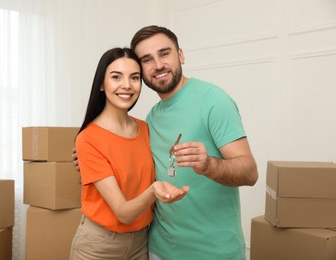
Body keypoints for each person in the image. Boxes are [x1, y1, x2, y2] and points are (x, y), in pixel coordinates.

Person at [73, 26, 258, 260]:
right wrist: (87, 152)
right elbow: (128, 160)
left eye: (164, 53)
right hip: (158, 248)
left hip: (213, 252)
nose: (158, 65)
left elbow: (250, 173)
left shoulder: (213, 100)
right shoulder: (151, 119)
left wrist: (209, 165)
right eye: (147, 59)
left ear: (180, 55)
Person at [69, 47, 189, 260]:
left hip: (141, 241)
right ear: (101, 84)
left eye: (134, 77)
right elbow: (123, 212)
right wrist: (155, 191)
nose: (127, 85)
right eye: (116, 77)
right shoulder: (88, 139)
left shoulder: (144, 129)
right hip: (100, 246)